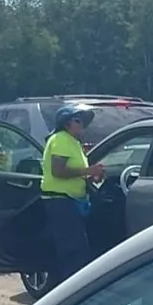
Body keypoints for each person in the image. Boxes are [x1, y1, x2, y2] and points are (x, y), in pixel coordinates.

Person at [41, 104, 105, 286]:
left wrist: (91, 175)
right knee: (73, 251)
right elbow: (58, 171)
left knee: (76, 249)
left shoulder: (73, 143)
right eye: (78, 120)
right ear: (66, 124)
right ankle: (72, 290)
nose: (82, 124)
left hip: (72, 201)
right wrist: (88, 170)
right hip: (60, 201)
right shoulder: (60, 139)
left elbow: (76, 172)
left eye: (83, 121)